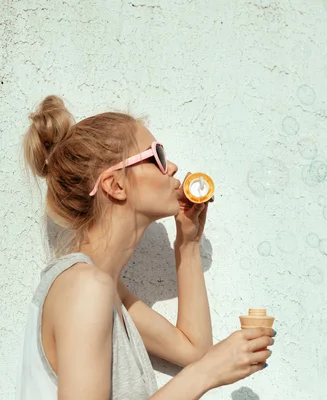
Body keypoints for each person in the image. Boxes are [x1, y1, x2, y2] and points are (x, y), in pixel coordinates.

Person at [16, 95, 275, 399]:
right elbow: (201, 365)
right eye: (158, 156)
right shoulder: (85, 287)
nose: (173, 167)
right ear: (116, 185)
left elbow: (194, 349)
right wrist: (207, 373)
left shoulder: (106, 290)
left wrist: (188, 245)